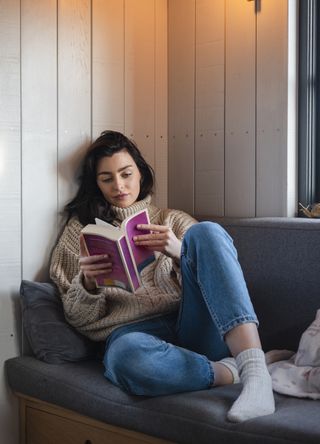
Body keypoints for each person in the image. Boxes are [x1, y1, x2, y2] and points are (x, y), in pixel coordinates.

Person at [50, 130, 275, 422]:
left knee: (207, 232)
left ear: (140, 174)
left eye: (126, 174)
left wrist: (179, 253)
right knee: (124, 358)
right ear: (96, 185)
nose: (119, 186)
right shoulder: (78, 235)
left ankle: (256, 373)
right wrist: (88, 285)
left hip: (194, 324)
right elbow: (77, 318)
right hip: (134, 336)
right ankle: (228, 371)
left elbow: (222, 280)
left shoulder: (173, 220)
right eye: (107, 179)